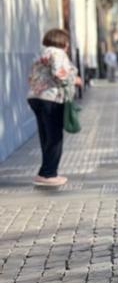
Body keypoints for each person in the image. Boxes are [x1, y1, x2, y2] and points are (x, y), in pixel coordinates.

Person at [26, 28, 78, 188]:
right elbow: (58, 73)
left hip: (35, 97)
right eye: (67, 42)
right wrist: (73, 79)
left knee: (45, 136)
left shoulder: (41, 53)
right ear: (63, 42)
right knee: (55, 137)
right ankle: (49, 174)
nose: (68, 46)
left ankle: (44, 172)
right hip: (51, 97)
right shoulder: (58, 53)